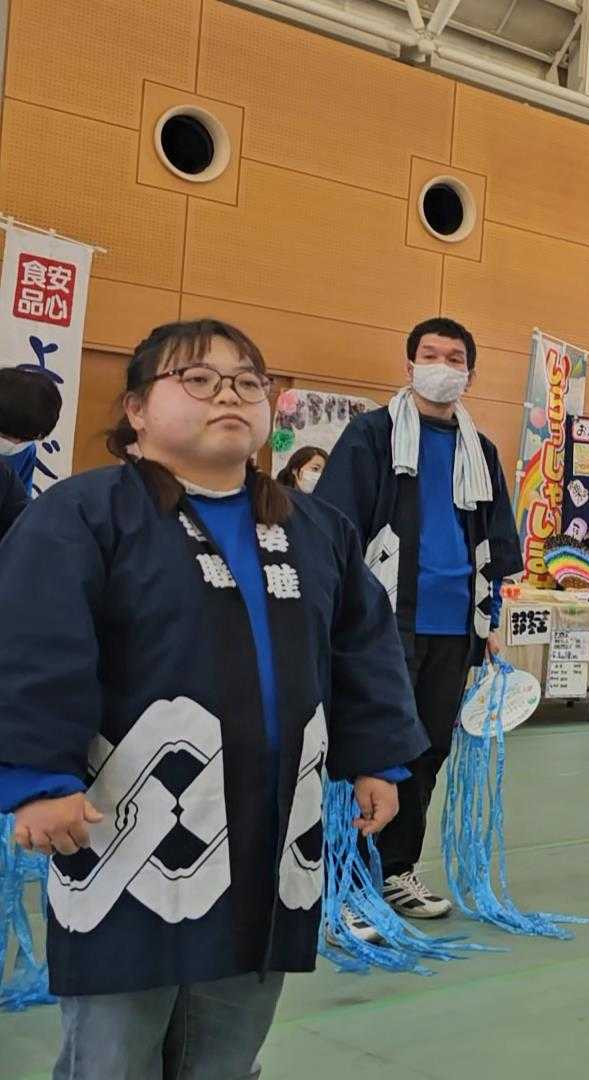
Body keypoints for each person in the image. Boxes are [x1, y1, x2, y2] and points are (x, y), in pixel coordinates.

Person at [0, 319, 424, 1079]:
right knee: (112, 1058)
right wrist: (38, 778)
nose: (228, 394)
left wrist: (379, 759)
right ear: (135, 411)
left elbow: (364, 644)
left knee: (227, 1054)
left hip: (268, 830)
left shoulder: (317, 529)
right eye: (197, 379)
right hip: (126, 835)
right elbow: (33, 645)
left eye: (247, 382)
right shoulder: (83, 515)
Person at [313, 316, 521, 925]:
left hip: (454, 627)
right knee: (370, 749)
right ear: (408, 367)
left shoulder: (478, 450)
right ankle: (346, 878)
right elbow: (333, 528)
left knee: (426, 751)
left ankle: (396, 869)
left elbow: (494, 545)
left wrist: (490, 621)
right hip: (383, 627)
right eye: (430, 354)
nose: (442, 365)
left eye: (454, 357)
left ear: (470, 374)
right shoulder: (371, 436)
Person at [0, 364, 61, 493]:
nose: (16, 444)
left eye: (26, 438)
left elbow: (22, 502)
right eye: (7, 436)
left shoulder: (26, 449)